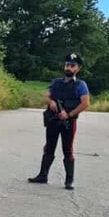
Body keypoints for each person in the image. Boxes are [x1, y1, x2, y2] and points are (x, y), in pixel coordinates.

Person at [28, 53, 90, 189]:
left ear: (78, 68)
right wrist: (50, 102)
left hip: (68, 122)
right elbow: (47, 95)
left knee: (67, 150)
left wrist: (69, 114)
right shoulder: (56, 82)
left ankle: (69, 181)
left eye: (72, 65)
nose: (68, 67)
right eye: (67, 64)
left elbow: (85, 103)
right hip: (53, 120)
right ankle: (42, 175)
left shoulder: (80, 85)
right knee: (49, 147)